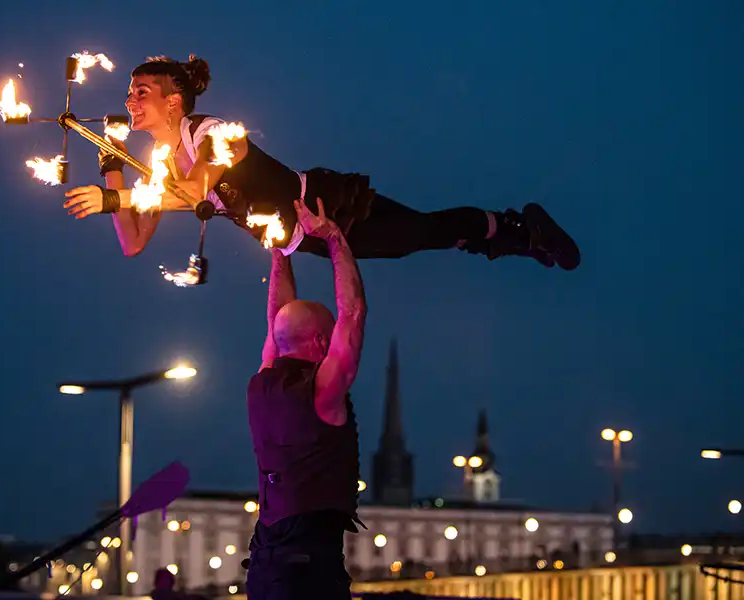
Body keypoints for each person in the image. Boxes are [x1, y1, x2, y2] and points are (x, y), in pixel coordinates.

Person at [63, 54, 581, 270]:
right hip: (302, 237)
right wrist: (109, 162)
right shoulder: (163, 167)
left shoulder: (212, 134)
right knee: (420, 236)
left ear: (173, 100)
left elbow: (198, 193)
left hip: (325, 207)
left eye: (142, 91)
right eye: (130, 91)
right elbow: (133, 242)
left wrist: (115, 195)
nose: (130, 99)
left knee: (419, 234)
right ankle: (514, 235)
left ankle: (517, 228)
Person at [242, 196, 366, 600]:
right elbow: (353, 313)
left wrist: (281, 249)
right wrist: (333, 238)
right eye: (329, 340)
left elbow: (277, 316)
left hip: (264, 567)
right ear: (319, 340)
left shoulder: (261, 383)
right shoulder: (322, 392)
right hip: (309, 572)